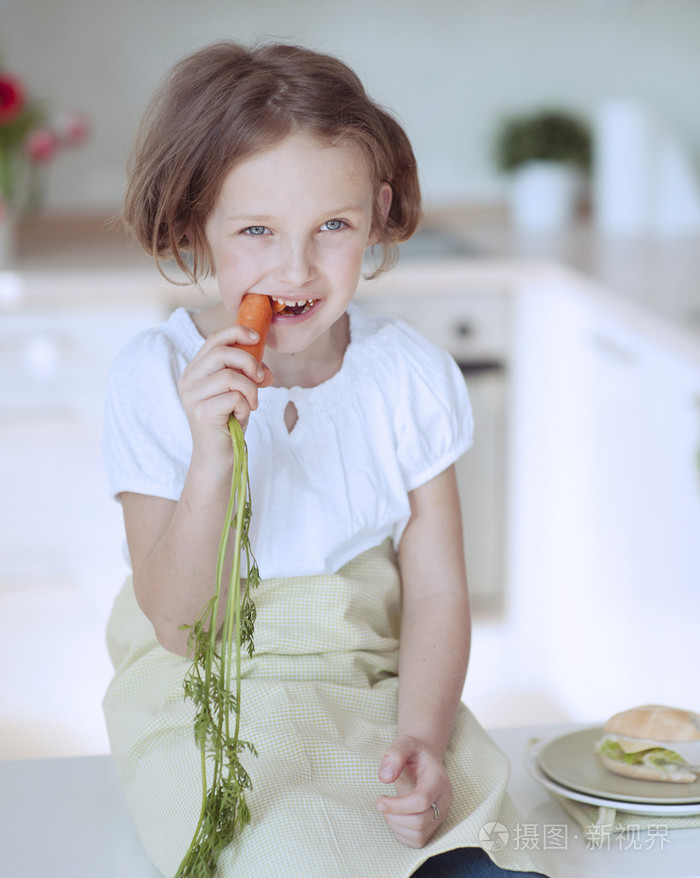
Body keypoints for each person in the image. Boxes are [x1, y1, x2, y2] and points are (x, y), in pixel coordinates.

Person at [102, 41, 555, 878]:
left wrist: (419, 734)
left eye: (333, 227)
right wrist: (211, 456)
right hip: (211, 698)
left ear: (378, 213)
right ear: (195, 221)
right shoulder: (156, 378)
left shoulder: (408, 376)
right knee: (289, 844)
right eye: (256, 231)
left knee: (478, 827)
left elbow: (436, 591)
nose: (296, 267)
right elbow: (175, 625)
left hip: (371, 685)